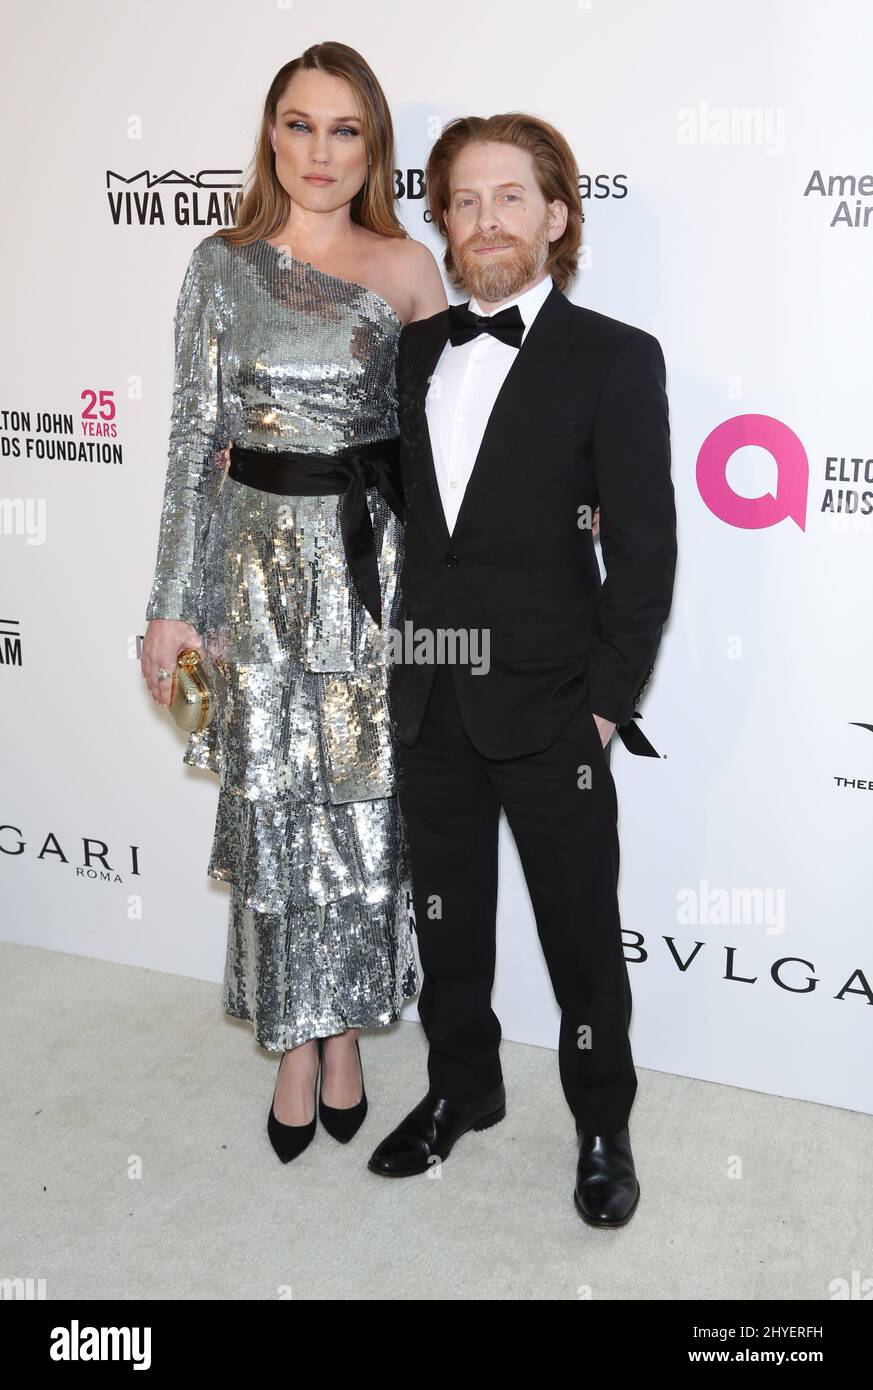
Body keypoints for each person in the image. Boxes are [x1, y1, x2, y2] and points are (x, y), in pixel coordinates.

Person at [368, 113, 677, 1227]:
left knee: (580, 933)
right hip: (430, 688)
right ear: (442, 223)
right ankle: (464, 1086)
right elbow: (406, 524)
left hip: (554, 709)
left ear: (555, 217)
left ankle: (602, 1121)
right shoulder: (410, 353)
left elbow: (644, 551)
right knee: (447, 918)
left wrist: (602, 707)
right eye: (463, 200)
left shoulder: (614, 357)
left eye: (510, 197)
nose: (485, 219)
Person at [140, 42, 446, 1164]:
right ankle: (294, 1039)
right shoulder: (220, 265)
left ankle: (349, 1030)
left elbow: (435, 451)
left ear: (373, 147)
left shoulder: (409, 267)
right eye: (300, 125)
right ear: (272, 134)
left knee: (362, 814)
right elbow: (192, 444)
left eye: (345, 129)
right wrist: (174, 604)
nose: (320, 152)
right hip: (254, 577)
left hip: (374, 573)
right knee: (276, 810)